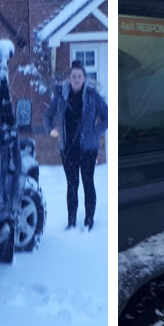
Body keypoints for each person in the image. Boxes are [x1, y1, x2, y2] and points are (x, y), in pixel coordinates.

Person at [45, 61, 109, 231]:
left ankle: (89, 220)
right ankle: (71, 222)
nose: (76, 79)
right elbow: (48, 115)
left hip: (88, 149)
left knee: (88, 183)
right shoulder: (60, 96)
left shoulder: (92, 95)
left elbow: (107, 117)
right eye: (74, 76)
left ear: (84, 78)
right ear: (69, 78)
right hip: (68, 148)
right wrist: (51, 129)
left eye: (79, 76)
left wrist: (94, 134)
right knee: (72, 185)